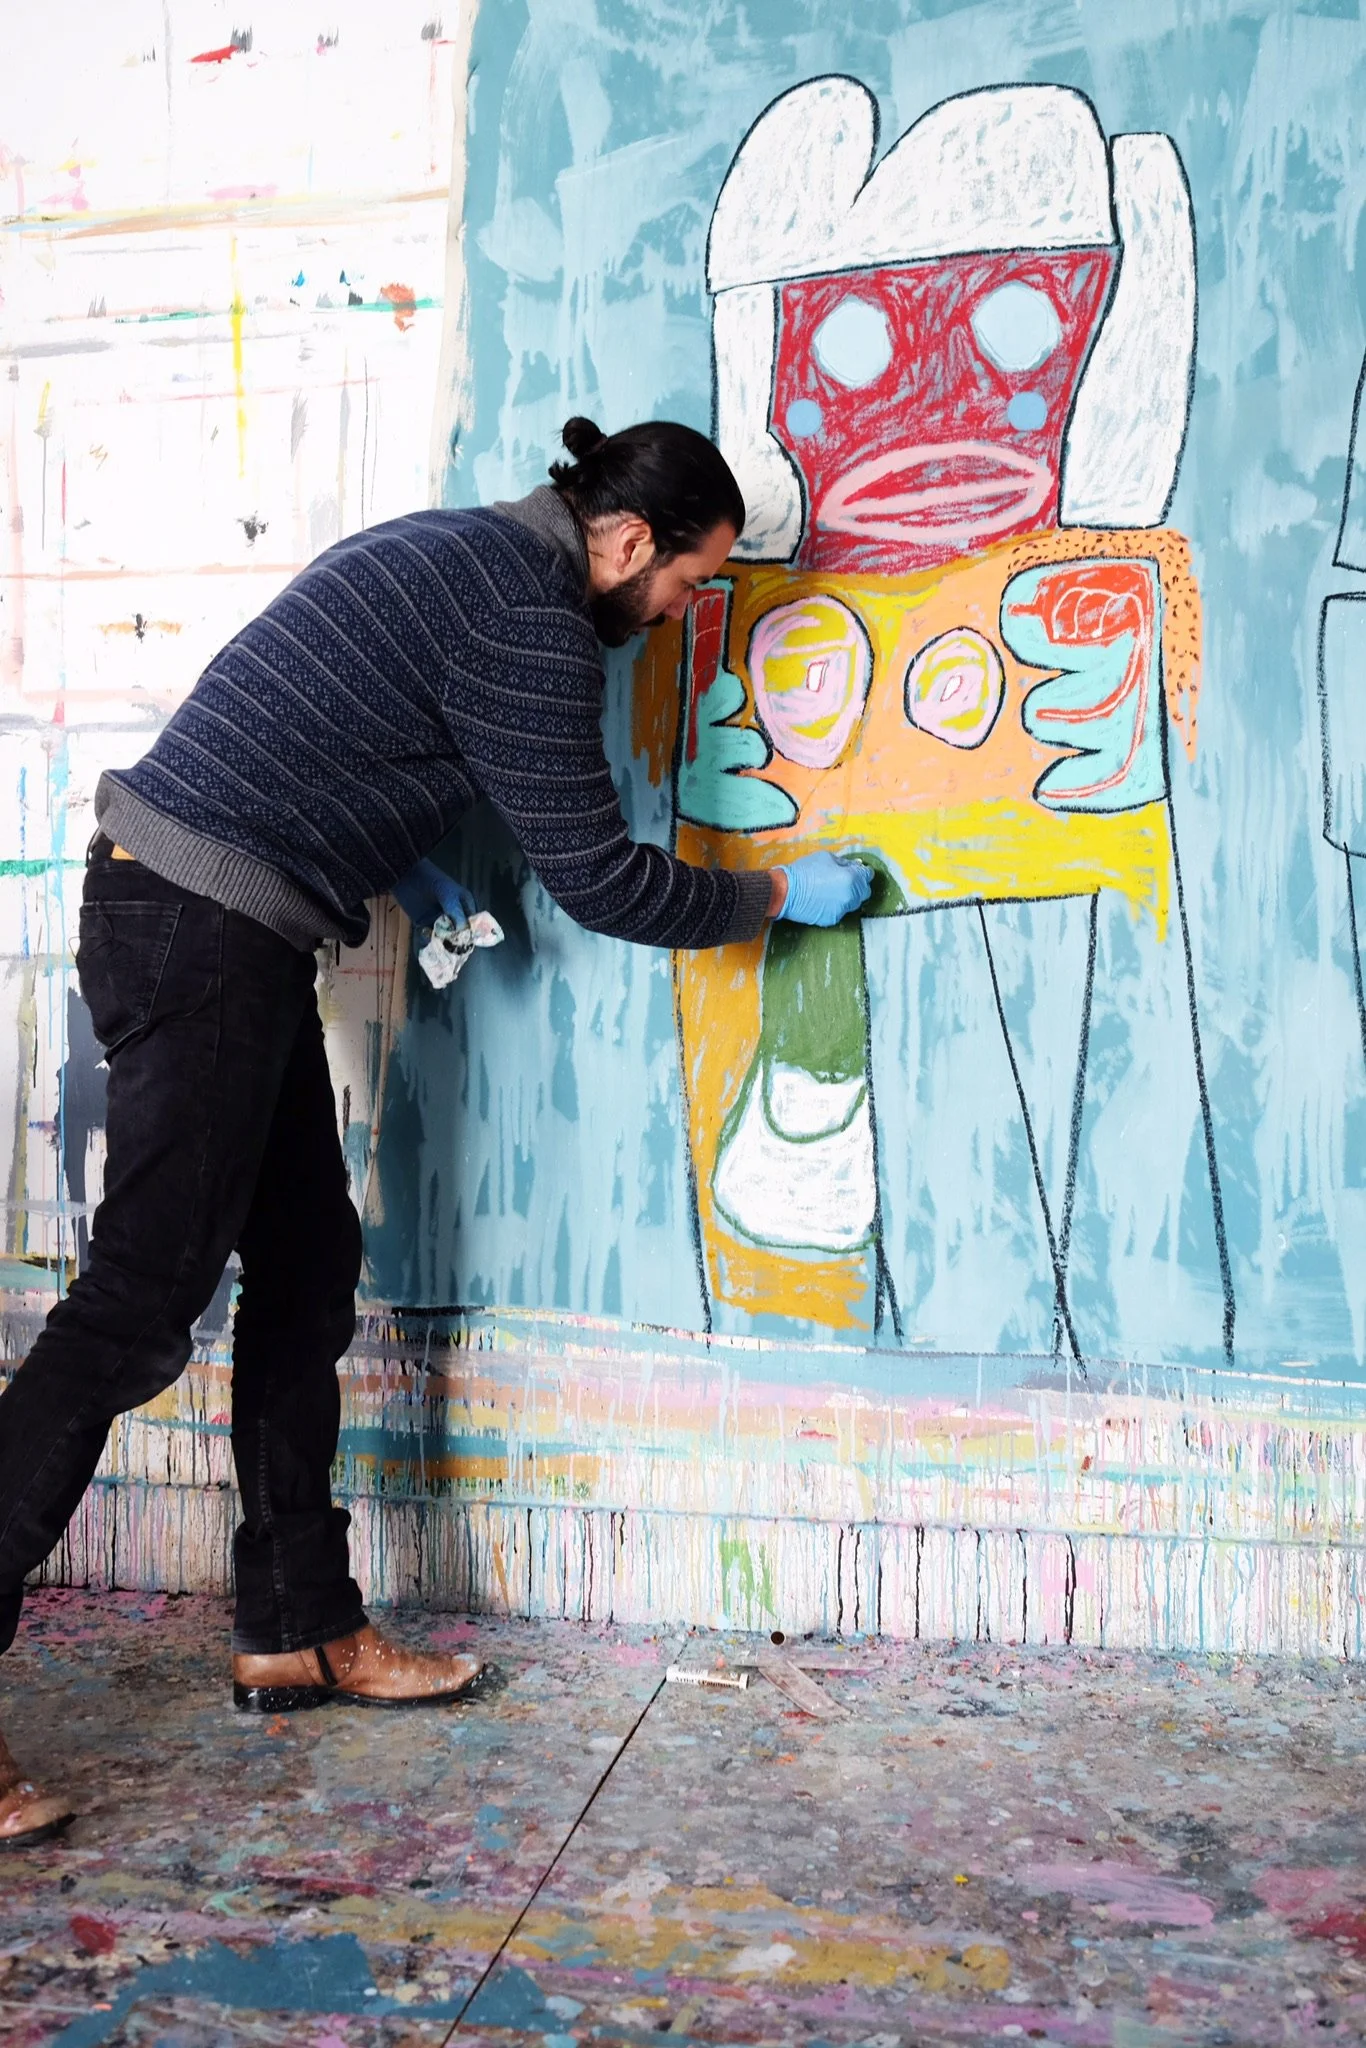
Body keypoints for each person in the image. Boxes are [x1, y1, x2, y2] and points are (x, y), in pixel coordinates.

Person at [0, 416, 872, 1847]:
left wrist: (398, 848)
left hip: (217, 919)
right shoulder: (527, 618)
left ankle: (297, 1624)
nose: (675, 621)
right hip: (199, 929)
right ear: (630, 541)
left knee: (303, 1268)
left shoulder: (459, 549)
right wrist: (775, 898)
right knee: (140, 1309)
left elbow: (322, 715)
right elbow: (600, 879)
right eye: (687, 587)